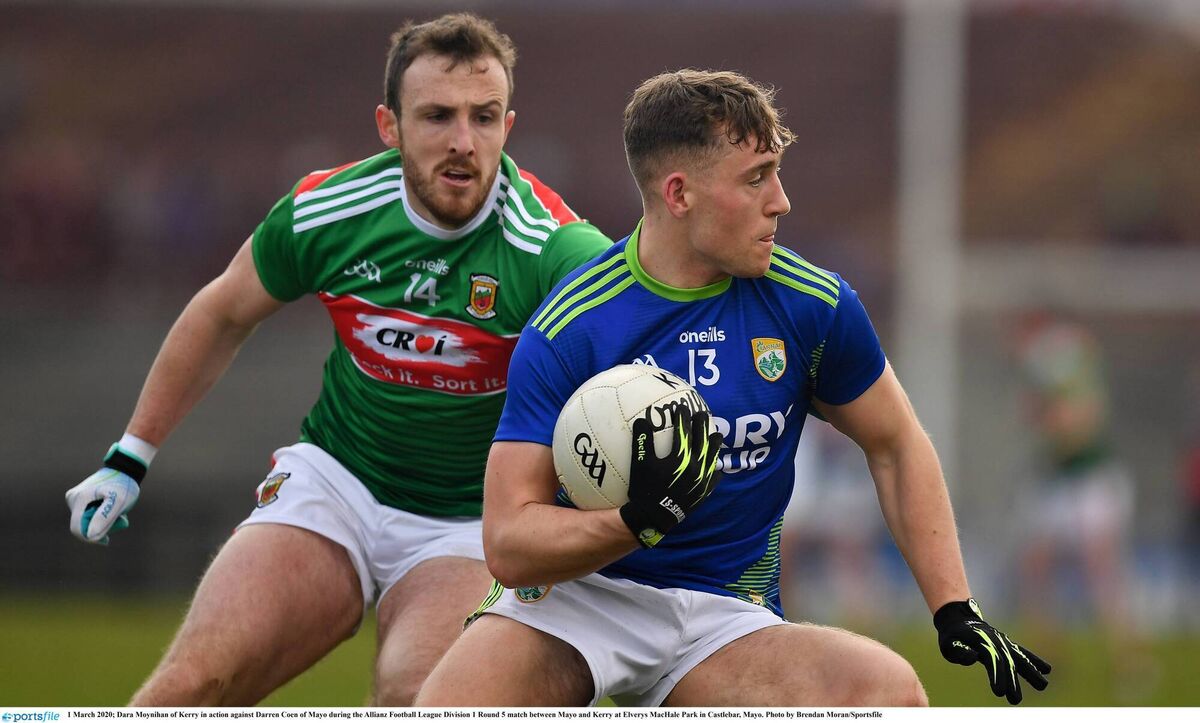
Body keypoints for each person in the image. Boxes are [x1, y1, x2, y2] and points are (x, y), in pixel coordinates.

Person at [416, 69, 1051, 707]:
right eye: (755, 179)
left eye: (775, 172)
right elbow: (508, 543)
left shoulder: (814, 306)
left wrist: (953, 606)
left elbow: (896, 445)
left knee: (886, 693)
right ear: (679, 193)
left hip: (724, 613)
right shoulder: (572, 327)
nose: (781, 201)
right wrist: (635, 521)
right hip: (572, 599)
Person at [63, 13, 610, 706]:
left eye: (485, 116)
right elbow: (222, 311)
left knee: (416, 695)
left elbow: (642, 345)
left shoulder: (554, 247)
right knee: (188, 686)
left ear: (508, 124)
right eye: (437, 116)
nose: (463, 142)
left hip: (475, 522)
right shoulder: (330, 210)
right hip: (338, 484)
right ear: (390, 126)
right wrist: (129, 455)